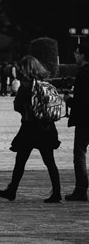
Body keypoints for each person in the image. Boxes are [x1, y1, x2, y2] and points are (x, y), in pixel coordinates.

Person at [0, 56, 63, 202]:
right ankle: (57, 192)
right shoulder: (46, 84)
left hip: (30, 128)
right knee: (50, 161)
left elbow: (17, 105)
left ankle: (12, 190)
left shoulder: (26, 86)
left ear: (26, 69)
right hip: (46, 127)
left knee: (20, 161)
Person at [66, 60, 87, 202]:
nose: (75, 55)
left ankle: (81, 190)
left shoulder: (83, 73)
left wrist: (69, 100)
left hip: (85, 120)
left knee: (79, 154)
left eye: (77, 52)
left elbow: (83, 101)